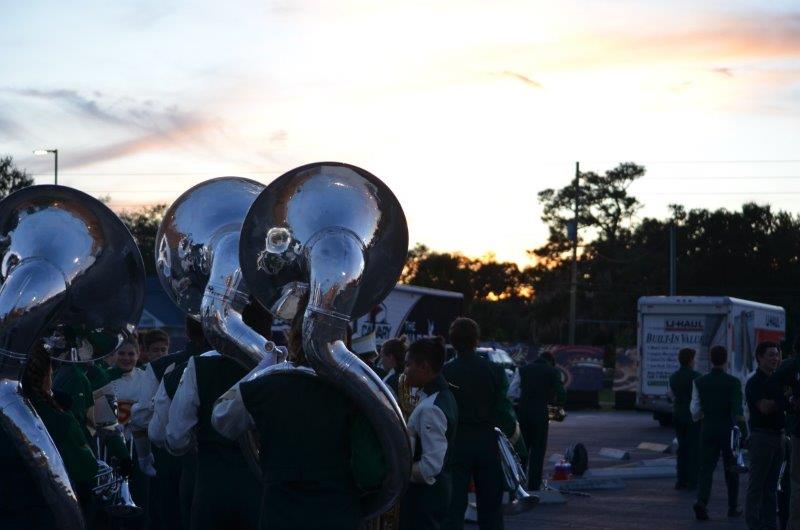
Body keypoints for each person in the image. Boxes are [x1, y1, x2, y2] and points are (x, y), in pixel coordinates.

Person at [211, 294, 386, 530]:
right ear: (341, 339)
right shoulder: (355, 393)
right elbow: (370, 473)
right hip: (339, 517)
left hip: (280, 516)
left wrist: (263, 367)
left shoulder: (266, 386)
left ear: (293, 334)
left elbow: (222, 419)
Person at [164, 301, 272, 530]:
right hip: (262, 489)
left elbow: (176, 436)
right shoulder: (278, 367)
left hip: (212, 488)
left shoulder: (200, 364)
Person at [134, 317, 210, 530]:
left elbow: (141, 417)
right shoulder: (237, 362)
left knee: (171, 518)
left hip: (171, 457)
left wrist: (144, 455)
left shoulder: (160, 366)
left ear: (187, 333)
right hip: (223, 465)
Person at [441, 317, 515, 530]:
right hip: (487, 442)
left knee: (453, 507)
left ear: (453, 342)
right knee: (491, 508)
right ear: (476, 341)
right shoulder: (495, 371)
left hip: (456, 443)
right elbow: (504, 411)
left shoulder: (446, 372)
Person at [20, 342, 104, 519]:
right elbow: (85, 468)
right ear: (45, 377)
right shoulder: (60, 419)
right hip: (50, 508)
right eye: (50, 374)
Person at [398, 337, 458, 530]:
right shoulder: (442, 395)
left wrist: (398, 473)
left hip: (424, 500)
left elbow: (430, 467)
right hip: (432, 495)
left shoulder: (431, 407)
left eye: (408, 365)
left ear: (424, 367)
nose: (405, 371)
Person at [691, 345, 746, 521]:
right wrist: (744, 433)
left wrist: (705, 416)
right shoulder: (734, 382)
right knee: (732, 469)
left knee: (706, 468)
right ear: (726, 359)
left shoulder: (699, 382)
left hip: (708, 429)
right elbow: (738, 411)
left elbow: (695, 411)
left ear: (711, 359)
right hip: (728, 431)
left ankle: (702, 501)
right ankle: (733, 507)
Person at [508, 350, 566, 491]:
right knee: (538, 452)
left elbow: (511, 392)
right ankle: (534, 486)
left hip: (523, 414)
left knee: (522, 450)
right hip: (541, 415)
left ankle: (519, 484)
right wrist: (556, 407)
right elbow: (562, 394)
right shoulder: (553, 372)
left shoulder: (523, 370)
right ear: (551, 362)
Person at [745, 341, 785, 530]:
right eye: (770, 355)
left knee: (772, 486)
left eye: (777, 355)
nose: (775, 359)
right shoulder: (755, 383)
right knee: (757, 485)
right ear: (760, 358)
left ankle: (769, 525)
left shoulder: (777, 380)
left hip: (778, 437)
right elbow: (764, 408)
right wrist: (784, 399)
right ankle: (753, 523)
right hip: (762, 437)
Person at [770, 338, 800, 530]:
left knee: (796, 481)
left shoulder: (791, 365)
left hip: (797, 429)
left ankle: (794, 524)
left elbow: (772, 383)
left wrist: (789, 402)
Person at [668, 347, 702, 490]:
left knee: (682, 448)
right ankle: (692, 479)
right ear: (690, 360)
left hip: (678, 414)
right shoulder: (697, 377)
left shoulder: (674, 377)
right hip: (692, 416)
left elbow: (672, 394)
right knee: (694, 448)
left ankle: (681, 479)